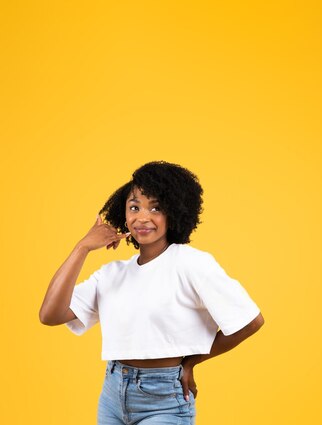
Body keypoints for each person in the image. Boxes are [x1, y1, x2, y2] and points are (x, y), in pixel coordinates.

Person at [39, 161, 264, 424]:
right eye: (134, 207)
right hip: (113, 393)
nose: (142, 217)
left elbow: (251, 321)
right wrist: (82, 248)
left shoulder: (191, 263)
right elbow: (50, 314)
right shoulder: (112, 273)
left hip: (164, 399)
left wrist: (190, 362)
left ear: (174, 213)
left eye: (155, 208)